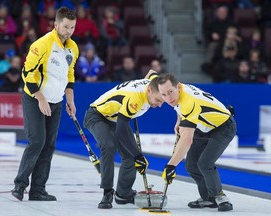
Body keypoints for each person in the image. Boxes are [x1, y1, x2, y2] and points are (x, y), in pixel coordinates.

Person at [11, 7, 79, 202]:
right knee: (37, 141)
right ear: (56, 25)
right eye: (66, 27)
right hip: (34, 98)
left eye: (72, 27)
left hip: (56, 101)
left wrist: (70, 99)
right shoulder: (42, 45)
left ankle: (38, 190)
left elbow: (70, 74)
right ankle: (20, 185)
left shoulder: (73, 48)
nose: (69, 31)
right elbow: (27, 74)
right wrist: (40, 98)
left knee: (49, 145)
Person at [83, 70, 164, 209]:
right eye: (158, 100)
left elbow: (152, 73)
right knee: (109, 146)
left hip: (116, 117)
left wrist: (135, 156)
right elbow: (121, 131)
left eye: (162, 101)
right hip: (97, 116)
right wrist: (138, 155)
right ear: (149, 90)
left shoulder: (155, 84)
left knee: (130, 155)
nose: (159, 105)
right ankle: (107, 192)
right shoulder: (135, 98)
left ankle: (123, 193)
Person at [156, 73, 236, 212]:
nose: (168, 98)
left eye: (170, 92)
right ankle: (208, 198)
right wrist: (179, 120)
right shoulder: (178, 91)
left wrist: (171, 166)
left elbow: (186, 139)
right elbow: (178, 106)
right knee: (192, 165)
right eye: (163, 95)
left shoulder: (189, 101)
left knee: (205, 164)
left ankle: (220, 196)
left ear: (178, 87)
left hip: (223, 127)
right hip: (202, 126)